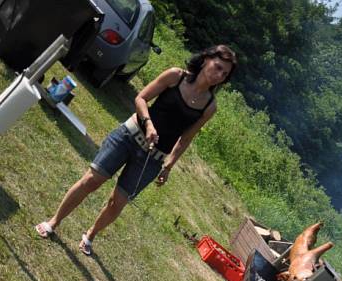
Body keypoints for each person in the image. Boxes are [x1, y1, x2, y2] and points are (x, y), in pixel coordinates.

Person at [35, 44, 237, 256]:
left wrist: (169, 165)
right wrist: (148, 123)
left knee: (117, 202)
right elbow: (141, 98)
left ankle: (90, 235)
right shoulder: (176, 76)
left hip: (152, 158)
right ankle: (53, 222)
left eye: (225, 74)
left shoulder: (209, 107)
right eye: (217, 67)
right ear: (206, 60)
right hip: (129, 137)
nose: (219, 75)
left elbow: (186, 138)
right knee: (91, 181)